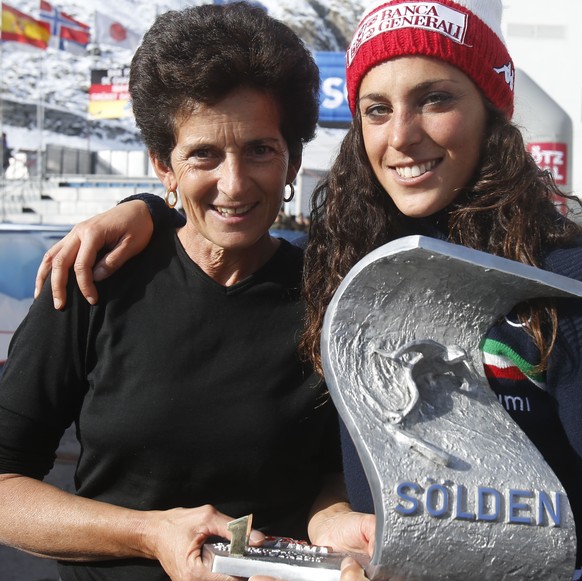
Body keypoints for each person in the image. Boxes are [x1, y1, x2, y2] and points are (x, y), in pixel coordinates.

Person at [35, 0, 582, 578]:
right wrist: (332, 522)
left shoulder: (559, 282)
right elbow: (345, 465)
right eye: (376, 109)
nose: (401, 134)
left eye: (436, 98)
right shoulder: (344, 274)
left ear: (490, 112)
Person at [0, 4, 377, 580]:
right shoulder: (94, 281)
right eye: (203, 153)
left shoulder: (332, 302)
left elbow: (329, 473)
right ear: (163, 166)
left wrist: (334, 525)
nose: (234, 182)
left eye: (260, 150)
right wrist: (149, 534)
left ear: (292, 161)